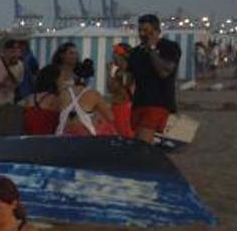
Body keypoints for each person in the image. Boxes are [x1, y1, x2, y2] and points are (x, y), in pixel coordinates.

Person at [127, 13, 181, 143]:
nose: (142, 34)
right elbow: (129, 79)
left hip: (158, 104)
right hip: (139, 104)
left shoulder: (169, 47)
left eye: (146, 31)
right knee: (140, 145)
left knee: (142, 145)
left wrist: (152, 50)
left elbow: (164, 72)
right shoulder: (135, 53)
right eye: (140, 30)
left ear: (157, 31)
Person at [57, 62, 117, 136]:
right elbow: (110, 117)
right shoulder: (94, 95)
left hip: (62, 135)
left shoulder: (63, 93)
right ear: (90, 78)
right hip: (83, 137)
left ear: (74, 77)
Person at [21, 65, 62, 136]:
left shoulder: (30, 98)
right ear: (55, 80)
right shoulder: (55, 99)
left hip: (30, 139)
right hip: (48, 139)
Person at [108, 44, 134, 138]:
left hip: (123, 106)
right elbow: (111, 88)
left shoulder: (129, 70)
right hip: (119, 106)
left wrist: (113, 73)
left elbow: (115, 87)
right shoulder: (116, 69)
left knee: (123, 136)